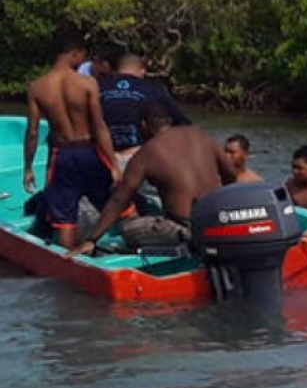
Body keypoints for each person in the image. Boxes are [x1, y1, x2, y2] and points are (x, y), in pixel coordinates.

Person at [68, 104, 236, 255]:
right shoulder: (201, 135)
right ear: (168, 121)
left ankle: (185, 240)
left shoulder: (146, 153)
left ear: (143, 125)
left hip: (186, 228)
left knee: (128, 228)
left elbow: (119, 199)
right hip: (217, 219)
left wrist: (92, 239)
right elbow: (231, 175)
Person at [23, 38, 120, 248]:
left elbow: (32, 132)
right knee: (119, 205)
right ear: (74, 54)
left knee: (64, 222)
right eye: (83, 56)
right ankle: (132, 251)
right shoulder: (87, 84)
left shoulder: (37, 87)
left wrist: (28, 168)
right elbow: (99, 126)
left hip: (62, 155)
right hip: (90, 152)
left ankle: (67, 264)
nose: (83, 61)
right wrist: (113, 165)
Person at [99, 52, 190, 170]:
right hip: (138, 157)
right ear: (142, 71)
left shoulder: (98, 86)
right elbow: (181, 122)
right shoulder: (151, 89)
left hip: (103, 157)